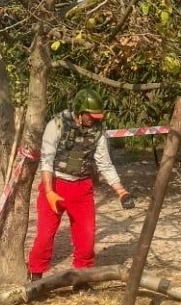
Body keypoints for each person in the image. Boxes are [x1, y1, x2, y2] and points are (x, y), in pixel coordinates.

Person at [26, 89, 135, 281]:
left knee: (86, 236)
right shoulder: (57, 124)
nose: (93, 120)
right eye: (90, 116)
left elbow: (104, 163)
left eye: (96, 116)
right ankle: (35, 275)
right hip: (55, 184)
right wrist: (49, 191)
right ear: (80, 112)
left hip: (81, 187)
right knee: (45, 235)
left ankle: (82, 277)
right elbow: (46, 160)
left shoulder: (98, 132)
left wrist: (121, 192)